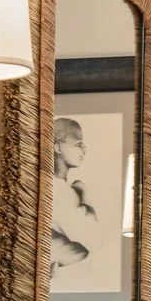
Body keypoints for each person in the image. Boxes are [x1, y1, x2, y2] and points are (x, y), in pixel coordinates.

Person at [51, 116, 100, 276]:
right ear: (58, 146)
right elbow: (93, 239)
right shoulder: (58, 190)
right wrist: (84, 197)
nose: (84, 149)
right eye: (78, 144)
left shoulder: (59, 187)